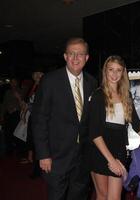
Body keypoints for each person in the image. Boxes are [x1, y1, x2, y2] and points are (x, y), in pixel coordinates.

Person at [32, 37, 97, 200]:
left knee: (79, 195)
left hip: (82, 156)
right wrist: (43, 154)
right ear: (65, 56)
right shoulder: (50, 80)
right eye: (71, 54)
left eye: (80, 54)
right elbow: (39, 119)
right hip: (56, 156)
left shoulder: (92, 82)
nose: (76, 58)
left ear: (87, 58)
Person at [88, 55, 140, 200]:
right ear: (105, 71)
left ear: (123, 72)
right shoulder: (98, 95)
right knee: (103, 195)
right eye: (111, 69)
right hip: (100, 151)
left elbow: (137, 124)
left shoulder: (126, 95)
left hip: (119, 149)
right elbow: (94, 133)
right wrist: (110, 160)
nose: (114, 74)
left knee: (115, 197)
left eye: (118, 70)